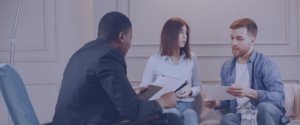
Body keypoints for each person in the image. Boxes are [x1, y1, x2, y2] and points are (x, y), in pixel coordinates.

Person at [52, 12, 184, 125]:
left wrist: (132, 96)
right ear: (121, 36)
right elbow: (132, 111)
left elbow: (93, 99)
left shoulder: (82, 53)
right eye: (130, 38)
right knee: (172, 120)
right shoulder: (109, 55)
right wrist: (164, 101)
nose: (130, 45)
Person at [203, 18, 290, 125]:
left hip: (264, 114)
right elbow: (226, 100)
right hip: (241, 116)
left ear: (252, 41)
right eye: (232, 38)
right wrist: (215, 103)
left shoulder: (266, 64)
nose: (234, 43)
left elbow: (279, 98)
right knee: (227, 118)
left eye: (239, 39)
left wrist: (249, 92)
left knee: (264, 107)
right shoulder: (227, 66)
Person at [140, 18, 201, 125]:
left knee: (190, 114)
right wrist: (158, 91)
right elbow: (144, 92)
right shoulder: (154, 60)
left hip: (187, 106)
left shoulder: (191, 57)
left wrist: (190, 91)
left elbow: (198, 85)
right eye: (181, 32)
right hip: (166, 106)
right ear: (170, 34)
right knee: (172, 113)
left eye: (186, 32)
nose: (184, 36)